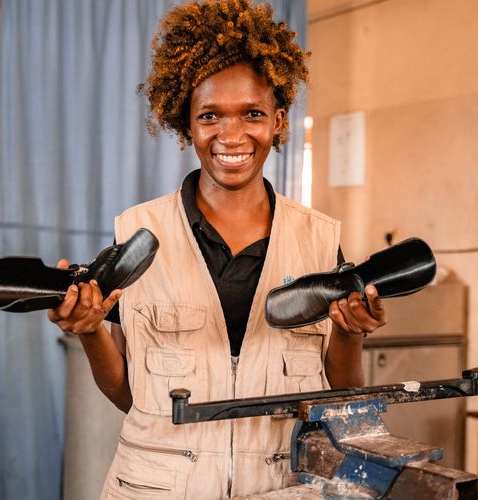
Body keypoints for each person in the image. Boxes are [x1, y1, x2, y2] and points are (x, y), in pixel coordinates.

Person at [49, 0, 387, 497]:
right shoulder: (138, 232)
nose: (231, 135)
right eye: (210, 115)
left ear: (278, 120)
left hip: (279, 483)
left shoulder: (318, 241)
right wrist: (90, 329)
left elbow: (337, 393)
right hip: (156, 486)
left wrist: (350, 335)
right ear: (187, 125)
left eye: (251, 113)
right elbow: (129, 396)